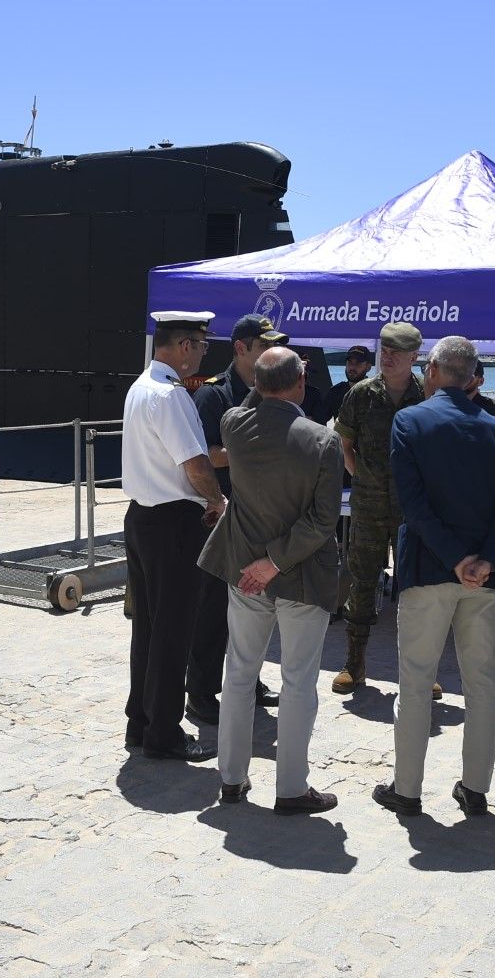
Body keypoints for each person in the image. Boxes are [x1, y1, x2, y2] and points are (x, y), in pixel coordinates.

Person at [371, 336, 495, 817]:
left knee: (416, 683)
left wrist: (457, 558)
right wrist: (484, 561)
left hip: (429, 571)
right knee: (481, 686)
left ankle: (407, 789)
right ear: (473, 376)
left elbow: (414, 505)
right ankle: (475, 788)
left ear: (432, 370)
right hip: (483, 578)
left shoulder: (410, 421)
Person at [198, 347, 343, 814]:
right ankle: (292, 788)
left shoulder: (235, 426)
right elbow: (322, 522)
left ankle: (232, 780)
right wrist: (276, 562)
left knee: (239, 674)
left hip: (244, 573)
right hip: (300, 575)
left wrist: (262, 566)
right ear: (301, 381)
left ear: (256, 387)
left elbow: (245, 407)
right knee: (299, 681)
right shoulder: (322, 441)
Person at [121, 311, 226, 762]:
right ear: (184, 346)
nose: (204, 353)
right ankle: (163, 731)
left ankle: (140, 722)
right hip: (174, 523)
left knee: (147, 627)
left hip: (142, 518)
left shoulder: (140, 387)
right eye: (201, 345)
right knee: (173, 632)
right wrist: (217, 501)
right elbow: (196, 464)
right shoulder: (170, 396)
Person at [185, 314, 286, 726]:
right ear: (242, 348)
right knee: (212, 610)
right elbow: (203, 453)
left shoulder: (271, 394)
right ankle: (202, 693)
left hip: (259, 516)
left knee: (255, 604)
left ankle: (249, 678)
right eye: (264, 347)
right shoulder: (214, 395)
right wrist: (253, 449)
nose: (271, 354)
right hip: (223, 516)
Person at [330, 321, 424, 693]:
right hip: (368, 505)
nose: (387, 357)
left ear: (415, 356)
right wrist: (363, 478)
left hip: (411, 510)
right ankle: (354, 664)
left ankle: (420, 669)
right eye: (384, 350)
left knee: (414, 589)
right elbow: (344, 443)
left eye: (397, 352)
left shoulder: (426, 394)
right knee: (362, 581)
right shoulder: (362, 394)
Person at [318, 344, 373, 426]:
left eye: (358, 363)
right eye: (350, 362)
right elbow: (320, 420)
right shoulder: (335, 392)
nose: (352, 367)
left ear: (368, 367)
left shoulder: (374, 392)